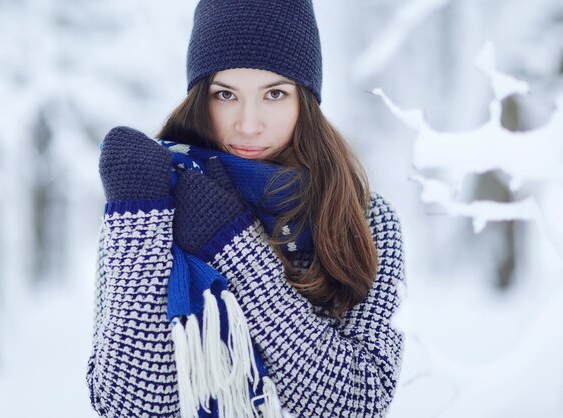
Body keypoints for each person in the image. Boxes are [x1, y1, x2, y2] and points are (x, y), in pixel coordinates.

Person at [86, 0, 406, 417]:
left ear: (305, 101)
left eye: (274, 94)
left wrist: (234, 248)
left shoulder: (362, 218)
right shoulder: (153, 202)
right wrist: (141, 219)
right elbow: (128, 405)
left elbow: (356, 403)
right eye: (225, 94)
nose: (249, 123)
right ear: (201, 99)